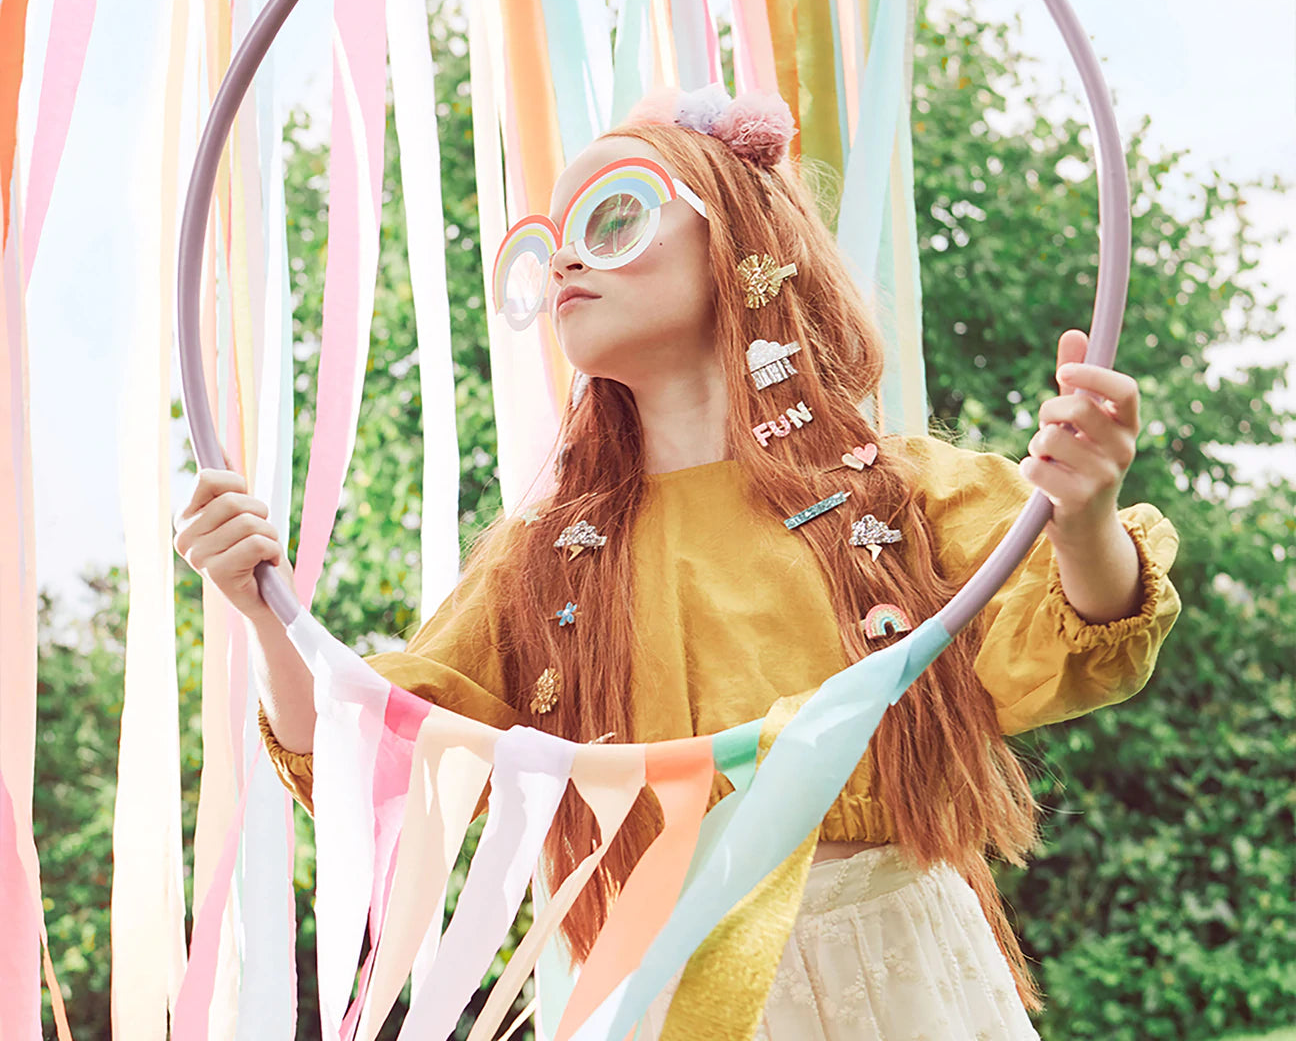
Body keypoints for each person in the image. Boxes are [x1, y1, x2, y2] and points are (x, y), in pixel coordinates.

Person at [174, 84, 1181, 1039]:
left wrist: (1084, 512)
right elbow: (377, 757)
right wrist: (261, 612)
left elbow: (1081, 640)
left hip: (897, 975)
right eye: (547, 247)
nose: (566, 261)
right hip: (655, 993)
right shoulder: (547, 564)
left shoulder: (899, 491)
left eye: (613, 218)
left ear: (737, 239)